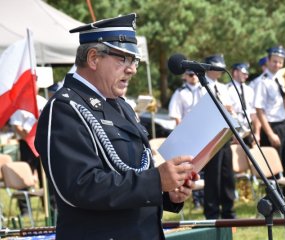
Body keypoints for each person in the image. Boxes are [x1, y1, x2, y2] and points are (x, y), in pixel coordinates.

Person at [35, 13, 199, 240]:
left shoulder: (121, 106)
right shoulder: (65, 108)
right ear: (93, 58)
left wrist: (167, 193)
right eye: (123, 58)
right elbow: (80, 186)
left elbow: (134, 173)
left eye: (134, 61)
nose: (131, 69)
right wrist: (155, 181)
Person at [202, 54, 236, 219]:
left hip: (224, 134)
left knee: (227, 175)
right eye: (218, 66)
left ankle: (229, 211)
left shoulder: (223, 88)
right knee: (213, 177)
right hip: (209, 136)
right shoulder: (201, 86)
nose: (221, 70)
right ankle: (212, 213)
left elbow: (231, 108)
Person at [253, 45, 285, 178]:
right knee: (274, 172)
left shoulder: (284, 79)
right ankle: (274, 199)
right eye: (274, 61)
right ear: (268, 61)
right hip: (271, 127)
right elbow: (259, 110)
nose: (277, 65)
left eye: (280, 62)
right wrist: (270, 134)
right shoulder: (262, 81)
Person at [168, 69, 206, 209]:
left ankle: (205, 198)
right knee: (194, 168)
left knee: (205, 167)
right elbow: (176, 115)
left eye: (195, 74)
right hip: (188, 134)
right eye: (191, 74)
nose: (194, 77)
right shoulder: (180, 93)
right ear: (185, 76)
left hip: (203, 132)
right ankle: (196, 200)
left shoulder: (203, 90)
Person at [10, 90, 47, 216]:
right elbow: (17, 126)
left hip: (43, 142)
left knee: (46, 176)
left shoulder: (41, 101)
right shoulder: (19, 104)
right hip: (27, 144)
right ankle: (25, 210)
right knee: (23, 176)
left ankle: (49, 206)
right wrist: (29, 137)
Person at [228, 63, 259, 147]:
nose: (246, 76)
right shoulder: (227, 89)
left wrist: (257, 133)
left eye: (247, 74)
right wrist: (233, 134)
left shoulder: (250, 90)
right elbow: (228, 113)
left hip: (248, 131)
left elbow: (253, 113)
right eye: (244, 74)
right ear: (235, 72)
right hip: (234, 132)